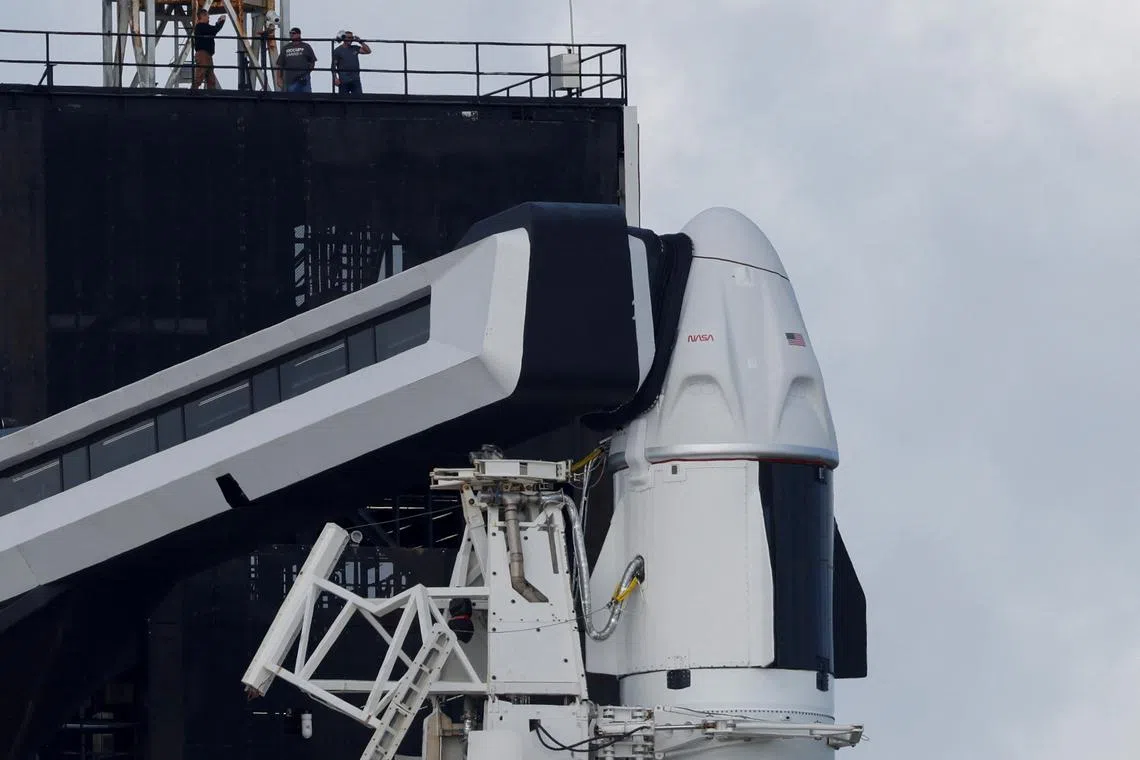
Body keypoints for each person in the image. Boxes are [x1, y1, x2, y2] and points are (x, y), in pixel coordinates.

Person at [276, 27, 317, 93]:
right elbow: (279, 64)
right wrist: (279, 78)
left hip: (304, 79)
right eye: (290, 33)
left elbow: (312, 60)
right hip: (290, 80)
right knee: (291, 99)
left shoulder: (306, 46)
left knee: (307, 99)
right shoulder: (286, 48)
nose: (291, 35)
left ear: (299, 34)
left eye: (293, 33)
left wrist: (308, 72)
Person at [191, 9, 225, 90]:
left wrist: (219, 23)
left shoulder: (201, 27)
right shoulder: (200, 26)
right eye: (207, 16)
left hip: (207, 54)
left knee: (210, 76)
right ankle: (194, 90)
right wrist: (220, 22)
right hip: (203, 54)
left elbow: (213, 30)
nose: (209, 18)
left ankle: (210, 91)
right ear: (202, 16)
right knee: (201, 73)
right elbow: (213, 30)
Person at [332, 30, 371, 95]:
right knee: (343, 101)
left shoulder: (355, 48)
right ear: (344, 38)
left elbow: (368, 51)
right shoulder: (338, 50)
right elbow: (333, 66)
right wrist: (335, 78)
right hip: (343, 80)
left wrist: (360, 42)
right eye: (349, 38)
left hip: (355, 79)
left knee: (358, 100)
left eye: (352, 38)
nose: (351, 39)